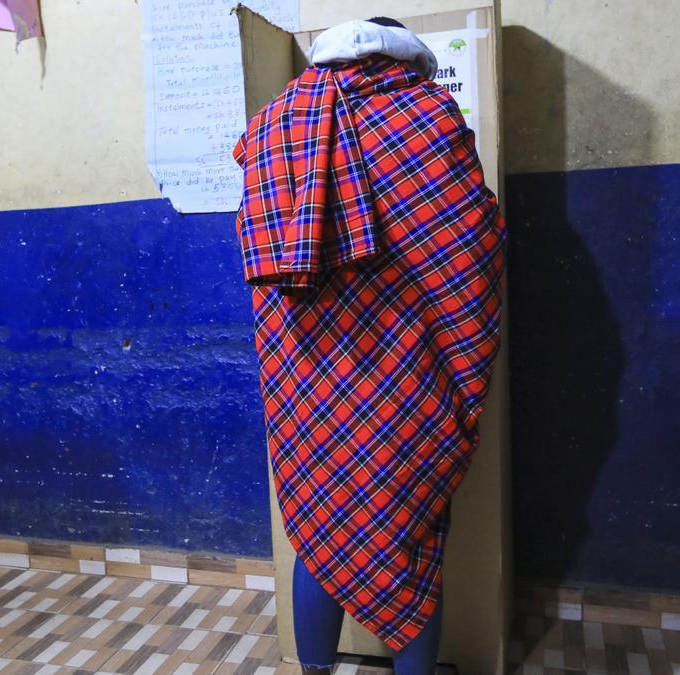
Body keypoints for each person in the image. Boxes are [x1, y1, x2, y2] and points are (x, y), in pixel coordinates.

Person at [232, 16, 506, 675]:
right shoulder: (427, 113)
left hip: (308, 370)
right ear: (406, 59)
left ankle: (315, 670)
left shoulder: (273, 124)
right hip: (407, 368)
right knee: (409, 532)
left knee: (323, 522)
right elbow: (471, 244)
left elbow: (256, 245)